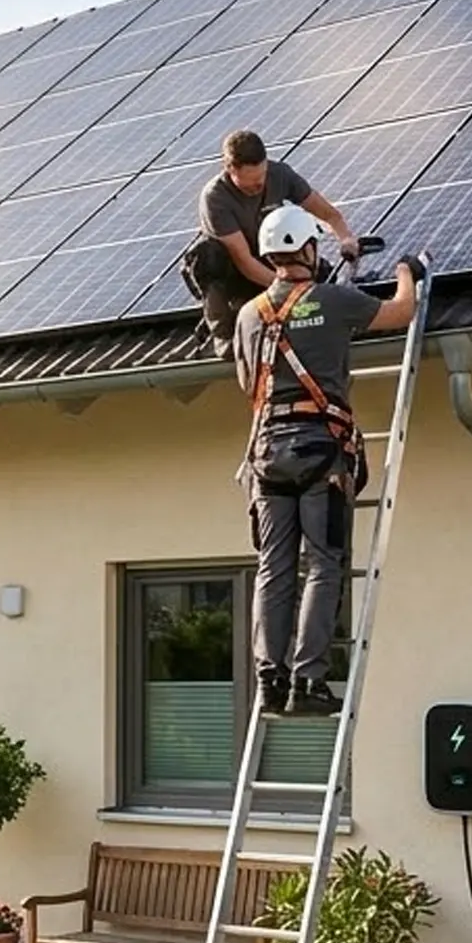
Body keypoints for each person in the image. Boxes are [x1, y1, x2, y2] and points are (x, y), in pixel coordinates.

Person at [233, 204, 421, 718]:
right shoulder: (333, 300)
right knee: (323, 563)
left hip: (266, 455)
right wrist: (406, 271)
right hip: (320, 450)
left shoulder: (248, 315)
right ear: (309, 248)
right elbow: (400, 313)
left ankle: (270, 680)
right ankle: (308, 681)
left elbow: (248, 383)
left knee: (274, 568)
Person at [182, 129, 363, 355]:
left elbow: (329, 215)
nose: (259, 185)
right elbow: (244, 261)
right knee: (206, 255)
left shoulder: (280, 175)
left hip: (272, 263)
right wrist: (290, 289)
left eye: (262, 176)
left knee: (318, 269)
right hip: (237, 278)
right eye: (250, 182)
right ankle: (224, 335)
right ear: (229, 169)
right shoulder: (215, 198)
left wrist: (346, 238)